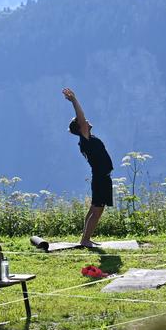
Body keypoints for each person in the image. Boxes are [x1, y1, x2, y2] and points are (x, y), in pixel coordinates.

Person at [63, 88, 114, 247]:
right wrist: (74, 101)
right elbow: (81, 117)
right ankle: (85, 240)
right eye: (82, 121)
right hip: (100, 178)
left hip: (99, 177)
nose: (86, 120)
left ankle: (85, 238)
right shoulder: (85, 139)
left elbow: (81, 120)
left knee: (94, 208)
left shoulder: (86, 140)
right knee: (98, 210)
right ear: (80, 126)